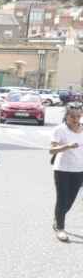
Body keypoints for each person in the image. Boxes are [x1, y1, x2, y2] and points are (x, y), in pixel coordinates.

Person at [50, 102, 83, 242]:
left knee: (70, 200)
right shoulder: (60, 130)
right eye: (72, 116)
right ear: (66, 116)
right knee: (62, 198)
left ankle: (58, 218)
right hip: (62, 169)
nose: (75, 119)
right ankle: (60, 228)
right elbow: (52, 150)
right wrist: (66, 146)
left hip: (79, 169)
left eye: (78, 116)